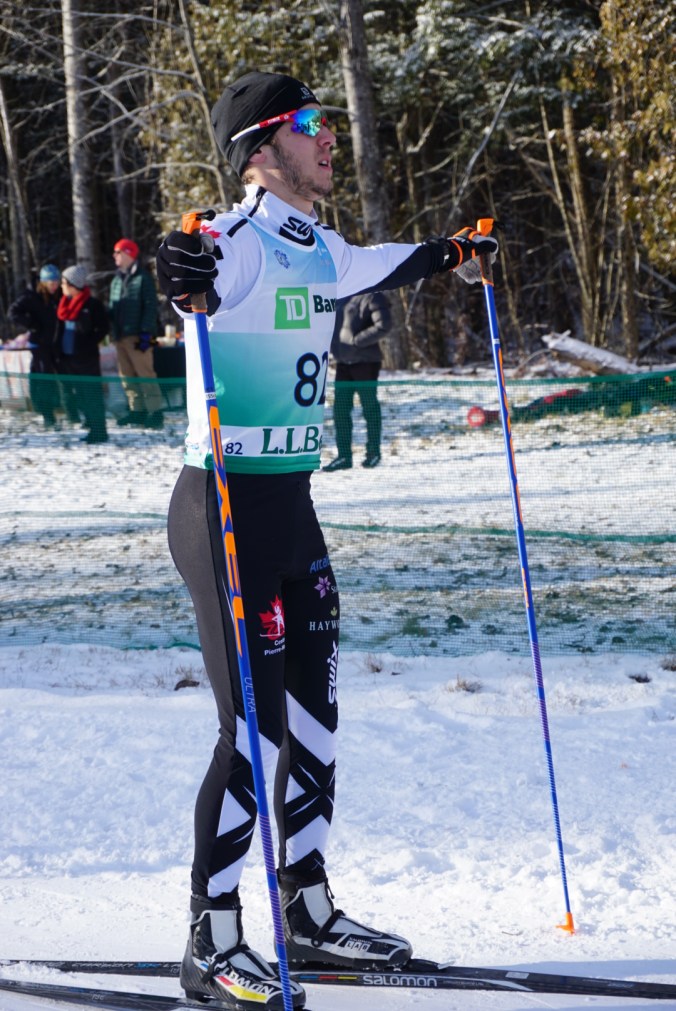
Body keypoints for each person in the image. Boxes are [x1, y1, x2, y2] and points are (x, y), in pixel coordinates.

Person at [156, 70, 497, 1011]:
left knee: (315, 717)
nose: (329, 138)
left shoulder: (318, 245)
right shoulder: (237, 242)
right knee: (251, 733)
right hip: (222, 509)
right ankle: (210, 937)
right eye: (310, 125)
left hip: (291, 507)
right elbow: (184, 274)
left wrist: (454, 252)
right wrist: (171, 271)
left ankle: (306, 911)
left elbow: (387, 259)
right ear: (263, 151)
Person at [323, 291, 392, 471]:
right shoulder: (341, 295)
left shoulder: (372, 296)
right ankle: (344, 456)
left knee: (369, 408)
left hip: (366, 363)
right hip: (343, 363)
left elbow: (384, 325)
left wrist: (355, 342)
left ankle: (373, 453)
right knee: (340, 410)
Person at [108, 237, 163, 429]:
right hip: (120, 336)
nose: (114, 256)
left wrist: (146, 334)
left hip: (138, 336)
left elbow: (150, 307)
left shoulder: (143, 278)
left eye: (118, 252)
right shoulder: (116, 279)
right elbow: (112, 308)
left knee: (145, 375)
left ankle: (155, 413)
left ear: (128, 254)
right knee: (128, 377)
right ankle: (137, 411)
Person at [54, 264, 109, 444]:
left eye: (64, 282)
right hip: (68, 358)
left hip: (86, 358)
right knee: (79, 395)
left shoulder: (92, 305)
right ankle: (90, 425)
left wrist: (87, 343)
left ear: (73, 284)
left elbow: (102, 328)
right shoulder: (64, 304)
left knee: (92, 394)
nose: (61, 286)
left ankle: (99, 431)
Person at [7, 264, 61, 428]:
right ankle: (47, 415)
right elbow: (13, 312)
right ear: (43, 282)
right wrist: (31, 324)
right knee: (43, 378)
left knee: (49, 377)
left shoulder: (57, 295)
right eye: (51, 283)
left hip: (55, 342)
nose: (54, 286)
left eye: (56, 282)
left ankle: (55, 409)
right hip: (39, 344)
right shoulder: (32, 295)